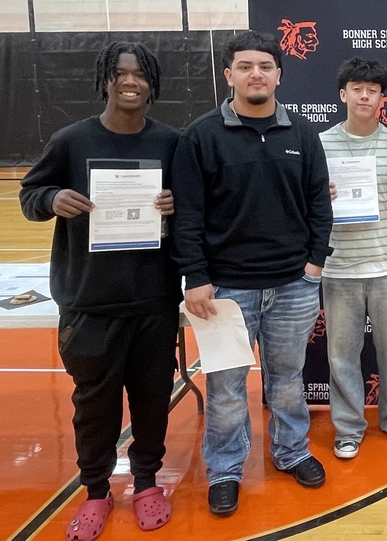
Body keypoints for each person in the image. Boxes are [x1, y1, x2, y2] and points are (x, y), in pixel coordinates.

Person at [19, 42, 180, 539]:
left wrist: (176, 205)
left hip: (153, 298)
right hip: (89, 301)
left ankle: (148, 482)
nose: (130, 81)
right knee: (94, 404)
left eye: (139, 74)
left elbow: (194, 211)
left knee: (153, 398)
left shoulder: (171, 143)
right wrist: (52, 197)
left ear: (152, 83)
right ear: (106, 80)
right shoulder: (71, 140)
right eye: (120, 73)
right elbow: (29, 196)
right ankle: (95, 491)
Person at [171, 31, 333, 517]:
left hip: (293, 286)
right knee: (225, 386)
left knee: (287, 378)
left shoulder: (302, 133)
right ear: (229, 74)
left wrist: (314, 264)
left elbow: (319, 204)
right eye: (245, 66)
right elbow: (188, 216)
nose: (256, 73)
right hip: (224, 291)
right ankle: (224, 470)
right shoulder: (201, 136)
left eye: (265, 65)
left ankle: (291, 451)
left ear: (279, 74)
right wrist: (195, 276)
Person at [319, 57, 387, 459]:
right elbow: (308, 209)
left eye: (372, 90)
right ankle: (347, 427)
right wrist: (319, 199)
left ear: (381, 97)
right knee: (342, 353)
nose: (365, 95)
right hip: (339, 265)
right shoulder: (320, 144)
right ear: (343, 94)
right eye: (357, 88)